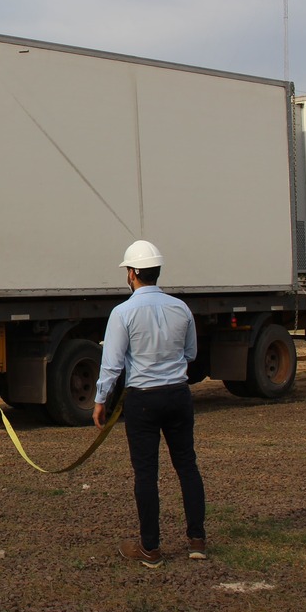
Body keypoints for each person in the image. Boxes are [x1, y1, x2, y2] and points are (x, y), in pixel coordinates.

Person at [93, 240, 206, 568]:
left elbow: (112, 363)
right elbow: (191, 353)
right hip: (178, 394)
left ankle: (151, 548)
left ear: (131, 274)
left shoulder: (123, 313)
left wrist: (100, 400)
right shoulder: (180, 308)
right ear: (156, 272)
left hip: (143, 399)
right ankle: (196, 539)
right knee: (187, 465)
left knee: (146, 473)